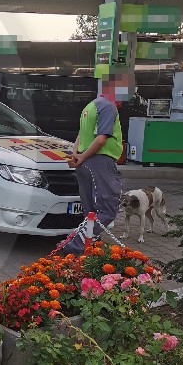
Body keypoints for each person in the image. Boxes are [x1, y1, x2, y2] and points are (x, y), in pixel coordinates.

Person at [61, 95, 123, 254]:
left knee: (90, 212)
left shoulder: (90, 106)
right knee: (107, 210)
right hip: (100, 162)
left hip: (86, 163)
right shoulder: (108, 106)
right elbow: (101, 140)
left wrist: (77, 155)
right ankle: (73, 246)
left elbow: (80, 135)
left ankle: (88, 248)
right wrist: (81, 157)